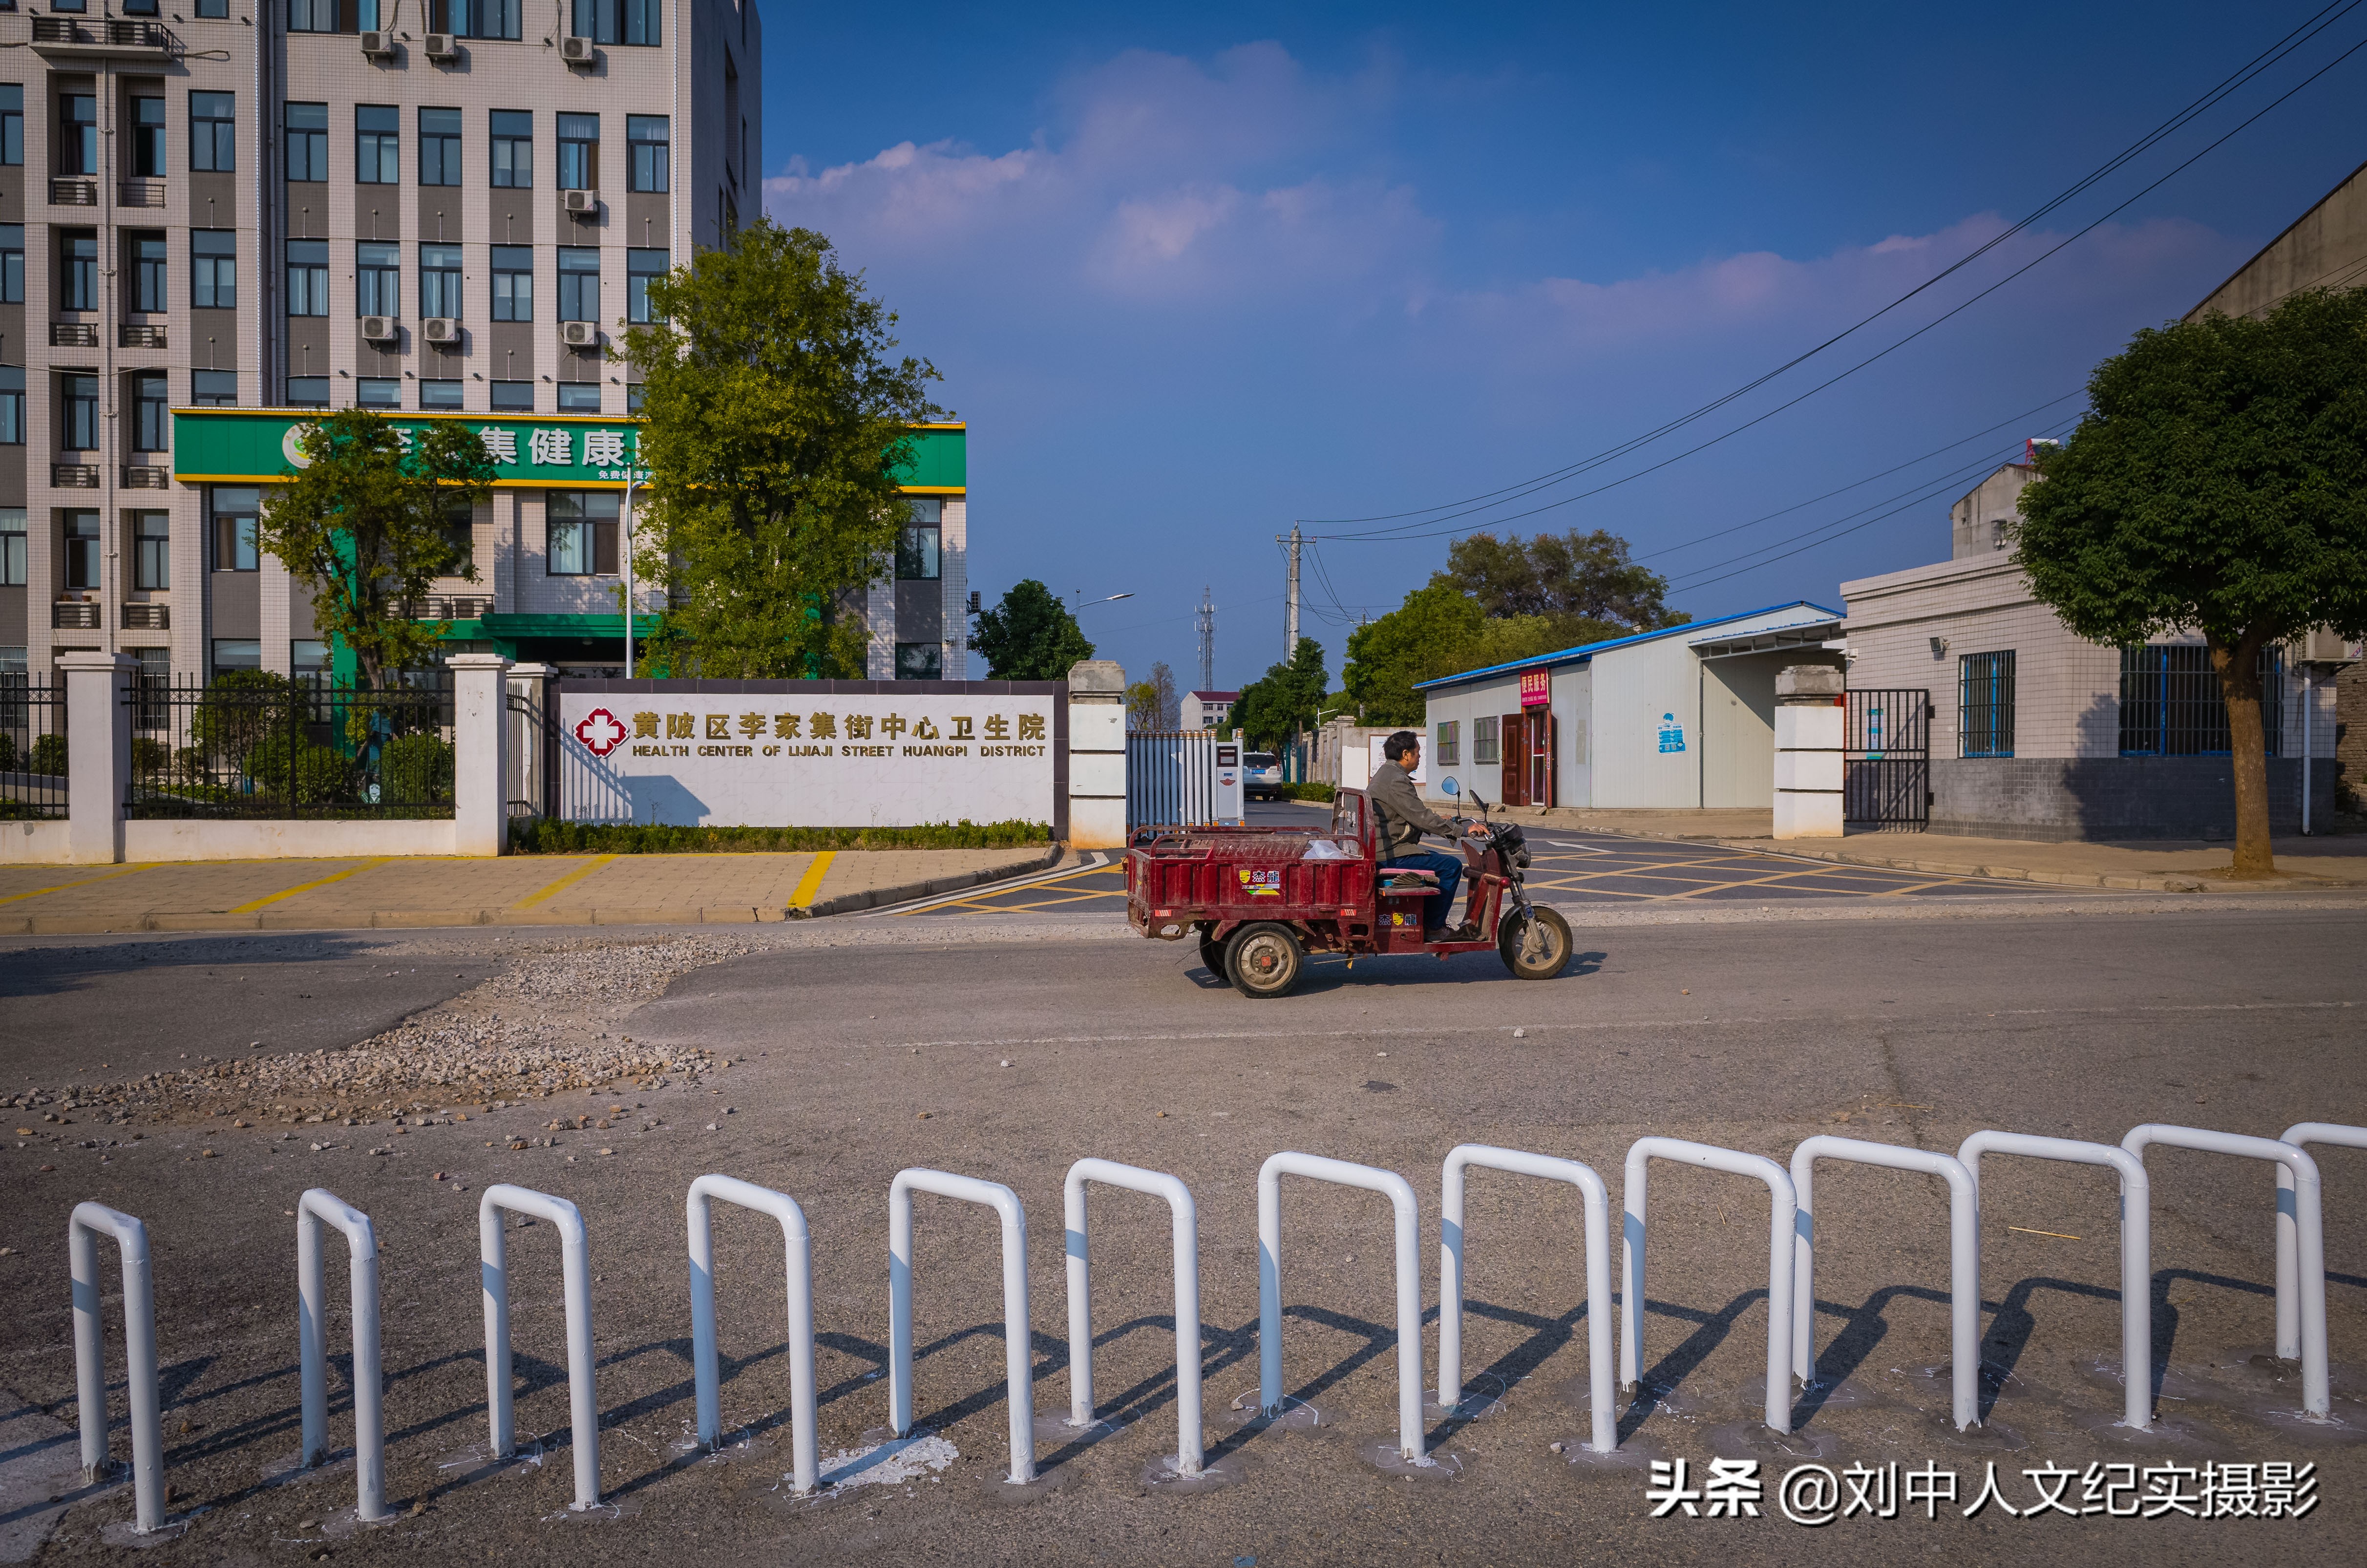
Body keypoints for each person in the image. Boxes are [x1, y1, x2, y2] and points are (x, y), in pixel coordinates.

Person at [1365, 729, 1485, 941]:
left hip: (1386, 847)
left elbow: (1411, 814)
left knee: (1436, 861)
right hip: (1392, 854)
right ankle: (1434, 927)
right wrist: (1464, 830)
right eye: (1418, 752)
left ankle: (1427, 921)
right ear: (1406, 754)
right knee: (1451, 867)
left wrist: (1443, 820)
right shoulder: (1396, 780)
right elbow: (1420, 817)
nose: (1420, 757)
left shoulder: (1387, 775)